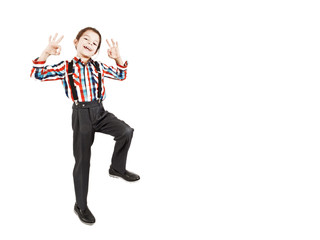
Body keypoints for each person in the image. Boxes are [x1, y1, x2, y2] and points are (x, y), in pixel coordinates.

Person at [30, 27, 140, 225]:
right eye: (86, 40)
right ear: (76, 42)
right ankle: (81, 205)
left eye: (94, 43)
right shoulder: (66, 67)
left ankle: (117, 168)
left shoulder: (98, 66)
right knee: (83, 161)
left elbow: (122, 75)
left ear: (97, 50)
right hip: (81, 115)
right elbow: (38, 74)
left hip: (100, 111)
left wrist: (117, 57)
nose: (90, 44)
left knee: (126, 131)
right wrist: (46, 52)